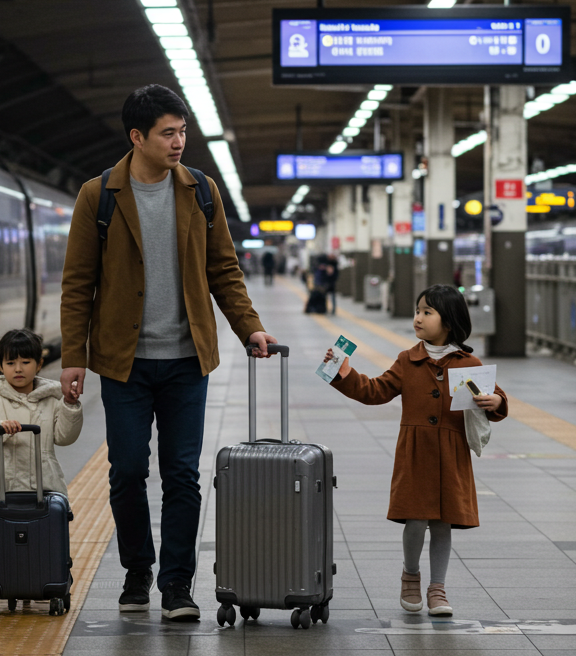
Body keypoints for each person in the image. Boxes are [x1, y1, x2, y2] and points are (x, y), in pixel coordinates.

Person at [60, 84, 278, 622]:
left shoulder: (201, 190)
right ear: (137, 137)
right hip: (123, 362)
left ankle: (177, 584)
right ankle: (138, 570)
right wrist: (72, 356)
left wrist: (250, 327)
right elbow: (78, 282)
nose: (179, 142)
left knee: (182, 474)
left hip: (186, 360)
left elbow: (223, 269)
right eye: (168, 133)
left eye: (182, 132)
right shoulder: (98, 195)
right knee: (127, 471)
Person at [321, 284, 508, 617]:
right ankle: (410, 575)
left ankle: (438, 588)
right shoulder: (407, 360)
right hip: (416, 453)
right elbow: (375, 391)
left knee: (443, 523)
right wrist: (344, 375)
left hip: (451, 455)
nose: (418, 318)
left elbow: (492, 398)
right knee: (416, 519)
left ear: (449, 320)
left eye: (427, 312)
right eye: (418, 311)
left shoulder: (468, 363)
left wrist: (496, 401)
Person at [0, 329, 83, 528]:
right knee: (3, 539)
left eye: (26, 362)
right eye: (10, 363)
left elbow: (65, 437)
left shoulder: (52, 399)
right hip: (1, 488)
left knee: (43, 538)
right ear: (0, 366)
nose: (18, 369)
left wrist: (70, 406)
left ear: (39, 364)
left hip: (44, 486)